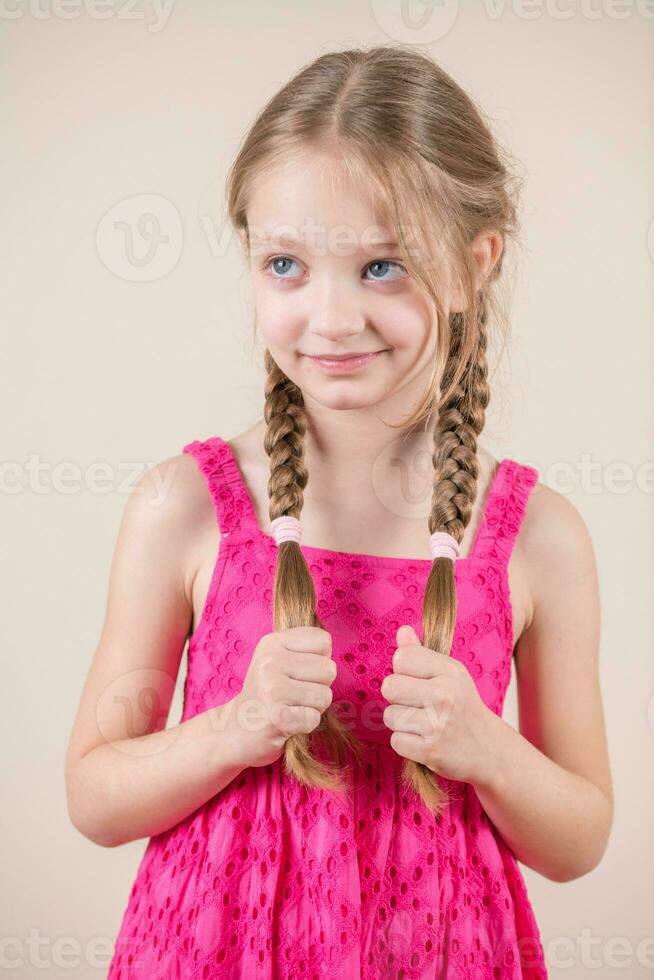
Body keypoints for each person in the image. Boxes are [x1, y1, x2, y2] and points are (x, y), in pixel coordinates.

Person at [64, 45, 614, 979]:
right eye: (286, 264)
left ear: (476, 262)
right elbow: (94, 793)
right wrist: (233, 729)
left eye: (384, 267)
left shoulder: (539, 536)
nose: (329, 318)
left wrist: (486, 748)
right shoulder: (185, 505)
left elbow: (580, 837)